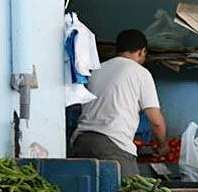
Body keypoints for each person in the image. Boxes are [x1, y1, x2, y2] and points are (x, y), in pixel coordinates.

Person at [69, 29, 168, 180]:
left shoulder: (96, 70)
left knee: (88, 191)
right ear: (142, 51)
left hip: (81, 141)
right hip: (112, 144)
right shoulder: (140, 72)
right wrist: (162, 145)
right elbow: (156, 121)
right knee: (131, 191)